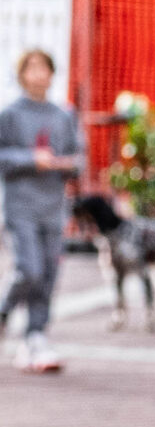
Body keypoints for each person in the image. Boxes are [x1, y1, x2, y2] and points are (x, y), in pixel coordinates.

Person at [1, 48, 84, 373]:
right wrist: (29, 159)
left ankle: (35, 336)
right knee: (29, 269)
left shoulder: (63, 115)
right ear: (21, 75)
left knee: (48, 274)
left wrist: (67, 165)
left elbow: (78, 159)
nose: (38, 74)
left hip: (53, 207)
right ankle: (4, 309)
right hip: (20, 206)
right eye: (31, 68)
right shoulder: (9, 114)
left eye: (43, 68)